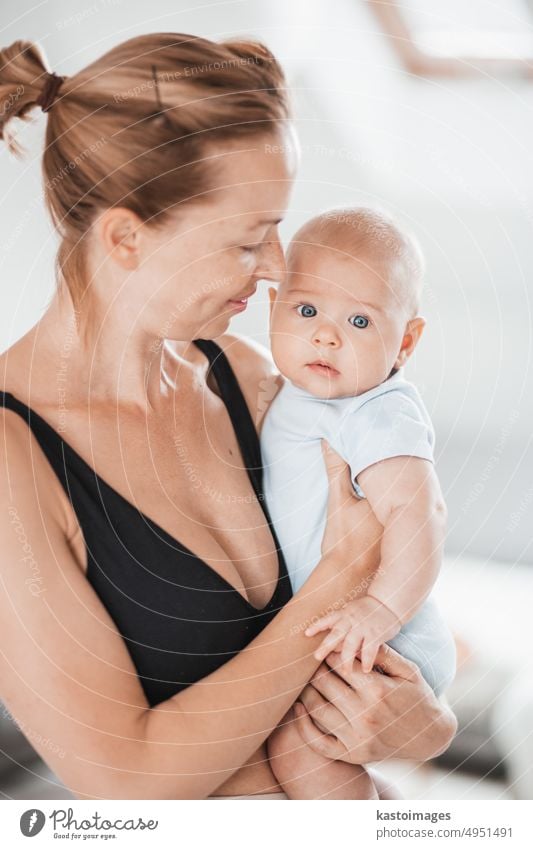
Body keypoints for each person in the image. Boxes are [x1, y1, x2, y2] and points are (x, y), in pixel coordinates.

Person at [0, 34, 456, 800]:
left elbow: (402, 572)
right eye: (248, 240)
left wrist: (424, 725)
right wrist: (334, 585)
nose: (279, 266)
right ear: (124, 237)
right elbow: (127, 782)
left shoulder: (246, 377)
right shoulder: (15, 455)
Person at [261, 207, 456, 798]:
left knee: (298, 747)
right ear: (274, 308)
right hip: (353, 623)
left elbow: (420, 514)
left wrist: (379, 611)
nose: (327, 334)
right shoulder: (300, 394)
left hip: (382, 634)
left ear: (406, 342)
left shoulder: (377, 409)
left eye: (360, 321)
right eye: (307, 310)